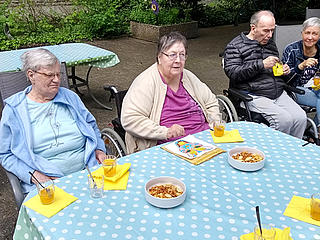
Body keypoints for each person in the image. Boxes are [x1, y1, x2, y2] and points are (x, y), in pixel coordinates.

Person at [0, 48, 106, 193]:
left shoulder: (70, 97)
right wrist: (33, 175)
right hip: (49, 184)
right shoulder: (14, 110)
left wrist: (99, 148)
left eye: (58, 74)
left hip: (89, 173)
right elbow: (5, 155)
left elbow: (91, 125)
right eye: (50, 75)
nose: (57, 80)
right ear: (31, 75)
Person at [121, 32, 221, 154]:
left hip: (204, 141)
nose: (178, 60)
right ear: (159, 57)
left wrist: (214, 121)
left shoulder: (188, 77)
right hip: (170, 148)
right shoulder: (146, 82)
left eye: (182, 55)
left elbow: (211, 101)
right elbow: (130, 119)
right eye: (172, 55)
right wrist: (165, 132)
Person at [223, 10, 307, 138]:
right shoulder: (234, 47)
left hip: (277, 92)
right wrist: (261, 65)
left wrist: (284, 71)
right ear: (253, 28)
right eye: (266, 31)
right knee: (284, 120)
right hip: (253, 94)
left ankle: (290, 150)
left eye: (272, 30)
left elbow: (275, 69)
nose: (269, 35)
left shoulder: (270, 44)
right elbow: (233, 73)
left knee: (301, 118)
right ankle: (274, 151)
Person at [282, 17, 320, 132]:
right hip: (295, 90)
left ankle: (314, 133)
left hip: (316, 90)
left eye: (315, 34)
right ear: (302, 33)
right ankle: (316, 132)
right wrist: (300, 66)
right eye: (307, 32)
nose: (310, 37)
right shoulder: (291, 50)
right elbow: (285, 80)